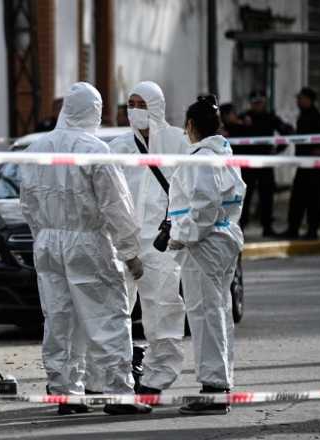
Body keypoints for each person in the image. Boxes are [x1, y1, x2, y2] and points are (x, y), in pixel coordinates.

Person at [19, 82, 150, 416]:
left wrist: (42, 238)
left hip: (48, 244)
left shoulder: (36, 149)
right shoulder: (96, 150)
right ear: (94, 111)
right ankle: (118, 394)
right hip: (88, 243)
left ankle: (66, 393)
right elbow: (115, 205)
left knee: (60, 320)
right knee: (107, 318)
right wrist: (130, 251)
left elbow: (28, 204)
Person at [106, 81, 187, 396]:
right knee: (115, 311)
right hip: (122, 242)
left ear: (157, 106)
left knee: (162, 309)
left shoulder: (178, 142)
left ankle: (157, 378)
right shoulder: (118, 147)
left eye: (142, 104)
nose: (135, 111)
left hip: (161, 243)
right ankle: (117, 376)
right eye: (131, 104)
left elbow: (190, 187)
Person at [167, 95, 245, 415]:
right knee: (218, 312)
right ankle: (221, 383)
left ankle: (213, 389)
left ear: (190, 125)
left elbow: (204, 207)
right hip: (223, 240)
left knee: (204, 316)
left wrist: (179, 235)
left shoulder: (201, 158)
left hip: (203, 245)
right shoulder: (224, 153)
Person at [238, 91, 292, 237]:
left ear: (264, 103)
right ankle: (241, 226)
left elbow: (287, 132)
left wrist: (278, 149)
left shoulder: (270, 117)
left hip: (265, 163)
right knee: (245, 196)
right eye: (255, 103)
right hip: (247, 164)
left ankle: (267, 227)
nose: (257, 105)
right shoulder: (244, 117)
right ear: (251, 103)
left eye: (260, 103)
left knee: (267, 196)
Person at [282, 87, 320, 240]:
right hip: (303, 163)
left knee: (313, 199)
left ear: (309, 100)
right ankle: (293, 228)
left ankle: (312, 230)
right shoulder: (303, 116)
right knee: (297, 198)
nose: (298, 101)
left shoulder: (318, 117)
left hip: (314, 166)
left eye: (301, 98)